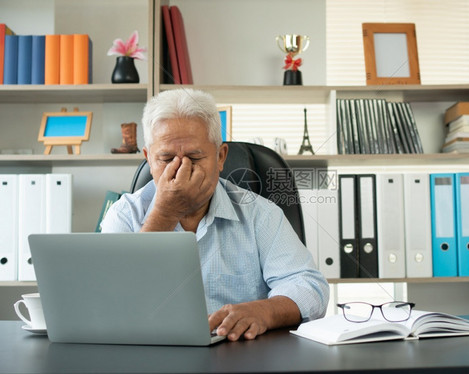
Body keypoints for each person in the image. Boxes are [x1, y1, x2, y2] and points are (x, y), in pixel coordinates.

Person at [101, 88, 329, 341]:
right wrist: (165, 213)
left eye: (195, 157)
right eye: (166, 158)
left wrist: (265, 311)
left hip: (240, 355)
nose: (181, 170)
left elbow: (311, 289)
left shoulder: (260, 214)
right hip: (150, 354)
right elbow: (110, 300)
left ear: (220, 157)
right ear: (148, 158)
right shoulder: (123, 214)